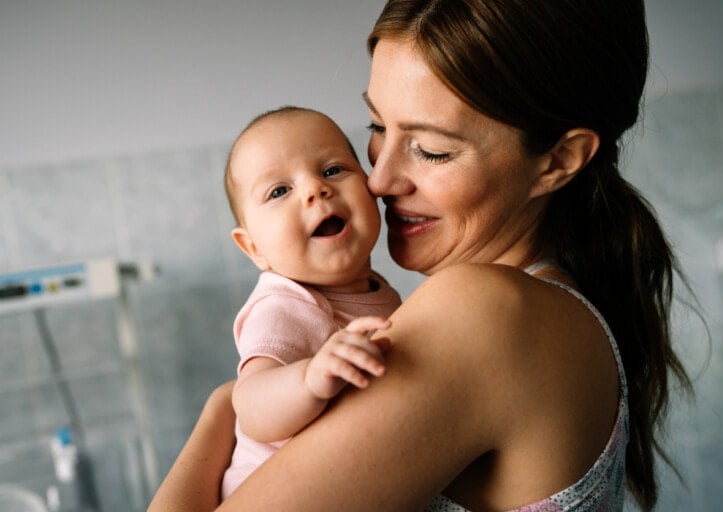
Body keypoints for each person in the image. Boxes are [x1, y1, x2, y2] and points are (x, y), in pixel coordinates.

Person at [148, 1, 691, 511]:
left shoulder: (484, 313)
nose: (378, 180)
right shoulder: (554, 307)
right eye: (378, 128)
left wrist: (226, 405)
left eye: (432, 149)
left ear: (559, 160)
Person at [219, 106, 401, 498]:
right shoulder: (283, 305)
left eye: (333, 169)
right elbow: (250, 408)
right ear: (253, 248)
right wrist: (310, 379)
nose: (315, 190)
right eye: (279, 191)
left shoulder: (375, 290)